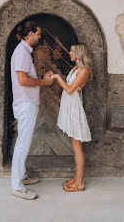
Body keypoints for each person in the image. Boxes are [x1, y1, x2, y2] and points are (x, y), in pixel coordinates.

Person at [11, 20, 53, 200]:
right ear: (30, 34)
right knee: (23, 143)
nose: (40, 36)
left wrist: (41, 79)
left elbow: (27, 78)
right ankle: (17, 186)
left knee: (24, 142)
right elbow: (22, 80)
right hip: (26, 103)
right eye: (38, 33)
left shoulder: (24, 52)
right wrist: (43, 82)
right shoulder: (21, 52)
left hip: (27, 102)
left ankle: (22, 176)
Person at [51, 43, 92, 192]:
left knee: (77, 146)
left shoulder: (84, 71)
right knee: (75, 146)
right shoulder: (76, 68)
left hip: (74, 108)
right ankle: (76, 178)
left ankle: (80, 183)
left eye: (72, 51)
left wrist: (56, 76)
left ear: (79, 53)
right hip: (69, 106)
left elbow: (69, 90)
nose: (69, 53)